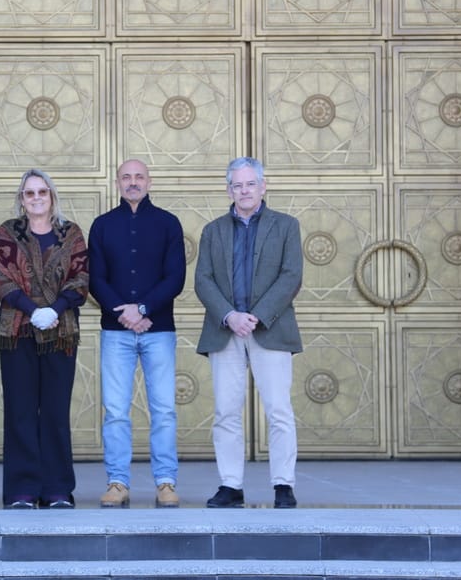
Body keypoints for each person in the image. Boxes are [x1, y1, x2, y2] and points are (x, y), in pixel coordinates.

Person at [195, 156, 303, 509]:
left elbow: (291, 275)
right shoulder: (213, 231)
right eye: (237, 185)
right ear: (229, 190)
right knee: (226, 412)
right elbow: (203, 279)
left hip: (270, 328)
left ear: (262, 186)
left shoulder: (286, 226)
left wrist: (256, 316)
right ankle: (231, 485)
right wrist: (230, 316)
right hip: (226, 332)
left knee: (279, 411)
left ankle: (283, 484)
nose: (244, 191)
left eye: (250, 184)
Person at [88, 158, 186, 508]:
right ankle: (117, 482)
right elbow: (96, 279)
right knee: (115, 410)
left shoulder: (168, 224)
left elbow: (175, 278)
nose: (133, 182)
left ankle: (165, 482)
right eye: (126, 177)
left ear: (149, 181)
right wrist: (125, 313)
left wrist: (142, 309)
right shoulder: (102, 225)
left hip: (158, 331)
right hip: (116, 333)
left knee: (164, 410)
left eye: (139, 177)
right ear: (117, 182)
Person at [0, 169, 89, 509]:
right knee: (20, 411)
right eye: (29, 193)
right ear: (22, 199)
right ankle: (22, 490)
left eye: (42, 192)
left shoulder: (70, 233)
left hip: (61, 333)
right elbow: (2, 277)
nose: (36, 198)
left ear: (52, 196)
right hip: (17, 331)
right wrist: (33, 310)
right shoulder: (7, 232)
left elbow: (80, 277)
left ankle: (57, 489)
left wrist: (55, 309)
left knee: (54, 411)